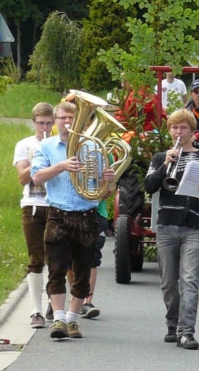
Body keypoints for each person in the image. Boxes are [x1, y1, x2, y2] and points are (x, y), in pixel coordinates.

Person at [31, 101, 116, 340]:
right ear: (55, 121)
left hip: (87, 216)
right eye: (63, 118)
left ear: (80, 120)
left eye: (71, 117)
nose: (67, 122)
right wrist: (62, 166)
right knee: (56, 269)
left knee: (82, 272)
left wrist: (108, 179)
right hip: (58, 215)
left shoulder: (93, 146)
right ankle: (58, 319)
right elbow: (36, 177)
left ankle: (72, 319)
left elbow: (106, 191)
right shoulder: (47, 146)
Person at [144, 109, 199, 350]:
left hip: (193, 227)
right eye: (175, 128)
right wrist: (164, 165)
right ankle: (172, 323)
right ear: (170, 131)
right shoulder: (160, 157)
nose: (179, 132)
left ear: (192, 131)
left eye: (183, 128)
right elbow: (149, 186)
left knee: (189, 280)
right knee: (168, 282)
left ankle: (186, 331)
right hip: (166, 225)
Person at [13, 102, 54, 328]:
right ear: (34, 123)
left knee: (56, 258)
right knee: (36, 258)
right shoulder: (24, 145)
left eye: (48, 123)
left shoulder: (59, 144)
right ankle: (35, 311)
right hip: (32, 204)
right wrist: (38, 159)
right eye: (41, 123)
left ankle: (54, 303)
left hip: (55, 204)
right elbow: (22, 178)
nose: (44, 128)